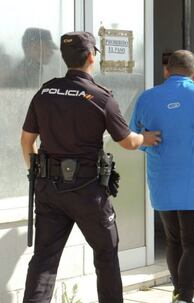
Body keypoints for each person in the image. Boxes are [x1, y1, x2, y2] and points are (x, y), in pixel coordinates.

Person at [20, 31, 161, 303]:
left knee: (44, 260)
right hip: (87, 192)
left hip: (49, 190)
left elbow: (27, 140)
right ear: (91, 56)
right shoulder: (100, 97)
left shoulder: (44, 92)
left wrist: (39, 174)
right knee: (106, 254)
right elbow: (128, 142)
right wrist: (147, 138)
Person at [130, 50, 194, 303]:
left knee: (174, 240)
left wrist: (147, 143)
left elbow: (132, 135)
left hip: (162, 178)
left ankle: (180, 293)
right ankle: (184, 297)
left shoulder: (147, 97)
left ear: (166, 71)